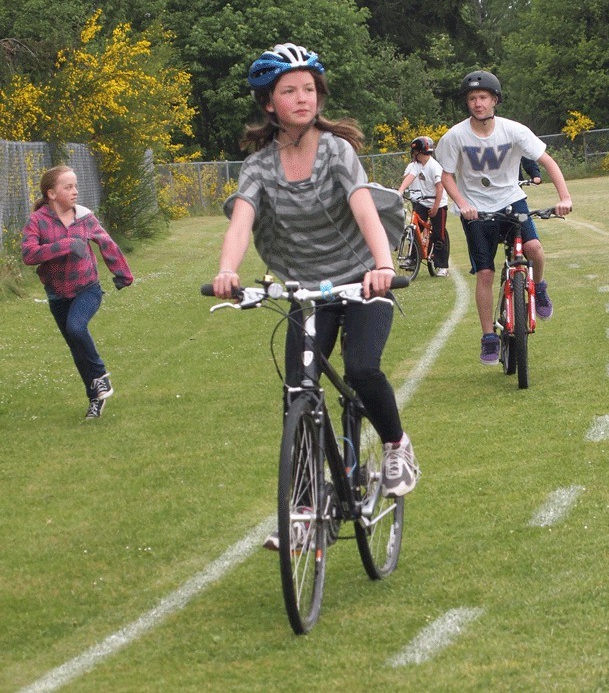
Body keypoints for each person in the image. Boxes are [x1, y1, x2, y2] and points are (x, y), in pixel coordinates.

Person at [212, 43, 418, 541]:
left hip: (363, 278)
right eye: (289, 91)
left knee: (362, 369)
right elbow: (242, 221)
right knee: (297, 393)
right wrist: (227, 271)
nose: (302, 98)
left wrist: (383, 266)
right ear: (269, 103)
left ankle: (395, 445)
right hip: (307, 290)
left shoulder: (335, 150)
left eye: (309, 89)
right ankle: (305, 511)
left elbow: (363, 205)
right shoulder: (260, 165)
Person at [436, 70, 573, 365]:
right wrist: (462, 203)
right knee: (485, 273)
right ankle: (488, 336)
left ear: (495, 100)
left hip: (511, 202)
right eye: (472, 98)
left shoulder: (514, 131)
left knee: (534, 250)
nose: (477, 103)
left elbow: (546, 160)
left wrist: (565, 198)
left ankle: (539, 286)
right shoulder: (454, 137)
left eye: (483, 97)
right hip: (476, 210)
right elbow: (446, 175)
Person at [22, 166, 134, 418]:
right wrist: (65, 245)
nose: (75, 192)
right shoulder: (37, 221)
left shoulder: (84, 217)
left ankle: (101, 376)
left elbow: (107, 244)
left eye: (75, 186)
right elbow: (28, 254)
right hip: (57, 295)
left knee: (76, 328)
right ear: (51, 193)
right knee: (76, 346)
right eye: (68, 187)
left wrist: (123, 274)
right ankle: (95, 398)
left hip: (87, 288)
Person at [398, 136, 450, 276]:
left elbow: (440, 188)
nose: (413, 155)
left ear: (420, 152)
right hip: (423, 200)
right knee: (415, 229)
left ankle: (442, 266)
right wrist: (400, 191)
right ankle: (412, 259)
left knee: (438, 234)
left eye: (415, 152)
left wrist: (435, 207)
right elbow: (410, 177)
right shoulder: (417, 165)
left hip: (438, 203)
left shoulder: (434, 167)